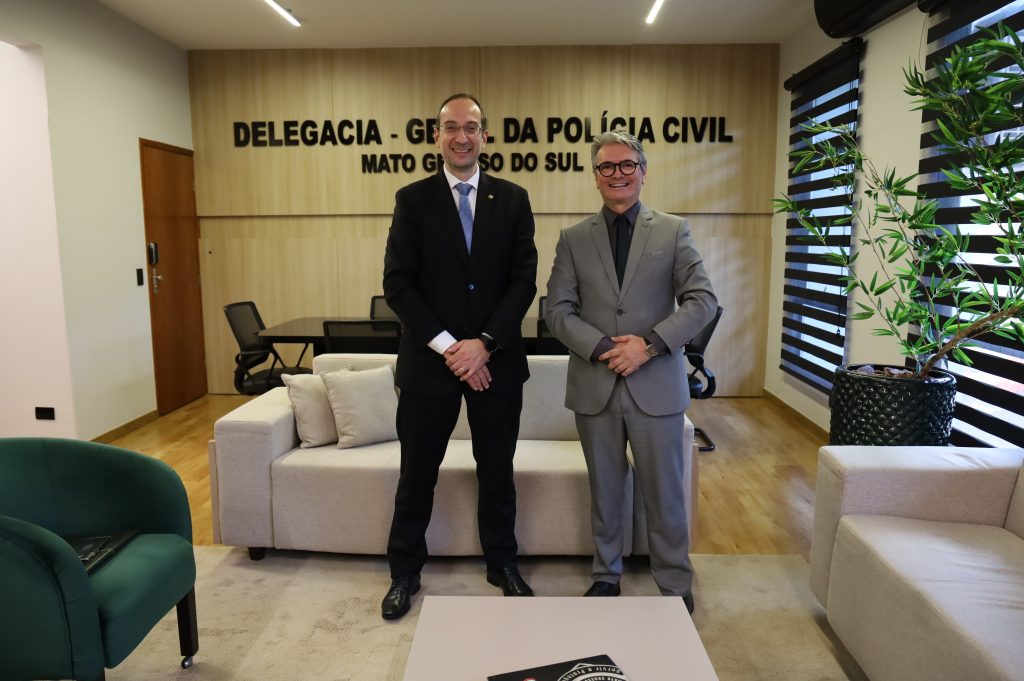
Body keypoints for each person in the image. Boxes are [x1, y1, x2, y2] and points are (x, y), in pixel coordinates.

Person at [380, 93, 538, 620]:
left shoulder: (513, 199)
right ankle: (404, 572)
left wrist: (484, 343)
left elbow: (523, 281)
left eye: (471, 127)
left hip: (496, 362)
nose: (461, 137)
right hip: (430, 365)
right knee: (416, 474)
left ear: (485, 136)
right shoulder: (412, 200)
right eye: (451, 127)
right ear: (436, 136)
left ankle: (503, 563)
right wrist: (452, 347)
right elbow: (398, 285)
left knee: (497, 471)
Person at [544, 129, 717, 613]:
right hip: (595, 386)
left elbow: (702, 301)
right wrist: (604, 348)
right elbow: (556, 310)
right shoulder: (573, 239)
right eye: (607, 166)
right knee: (604, 490)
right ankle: (606, 575)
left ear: (643, 172)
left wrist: (650, 345)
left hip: (655, 384)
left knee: (665, 492)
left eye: (626, 165)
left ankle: (674, 582)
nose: (617, 173)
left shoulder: (673, 230)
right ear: (595, 176)